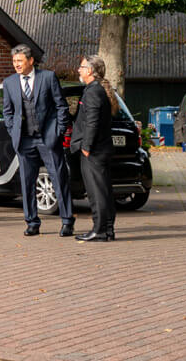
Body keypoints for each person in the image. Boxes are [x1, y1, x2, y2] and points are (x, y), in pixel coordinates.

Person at [2, 44, 74, 237]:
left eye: (20, 61)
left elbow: (61, 106)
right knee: (26, 182)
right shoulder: (9, 83)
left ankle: (67, 221)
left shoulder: (48, 77)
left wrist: (58, 131)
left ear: (30, 60)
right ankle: (32, 222)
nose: (16, 65)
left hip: (48, 138)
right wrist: (12, 130)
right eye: (14, 61)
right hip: (24, 141)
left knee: (59, 179)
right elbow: (7, 111)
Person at [71, 55, 117, 242]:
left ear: (90, 71)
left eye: (81, 67)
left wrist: (86, 147)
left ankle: (99, 230)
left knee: (96, 192)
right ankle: (107, 229)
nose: (78, 70)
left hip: (94, 151)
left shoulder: (92, 92)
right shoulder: (97, 90)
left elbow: (92, 121)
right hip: (101, 149)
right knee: (104, 190)